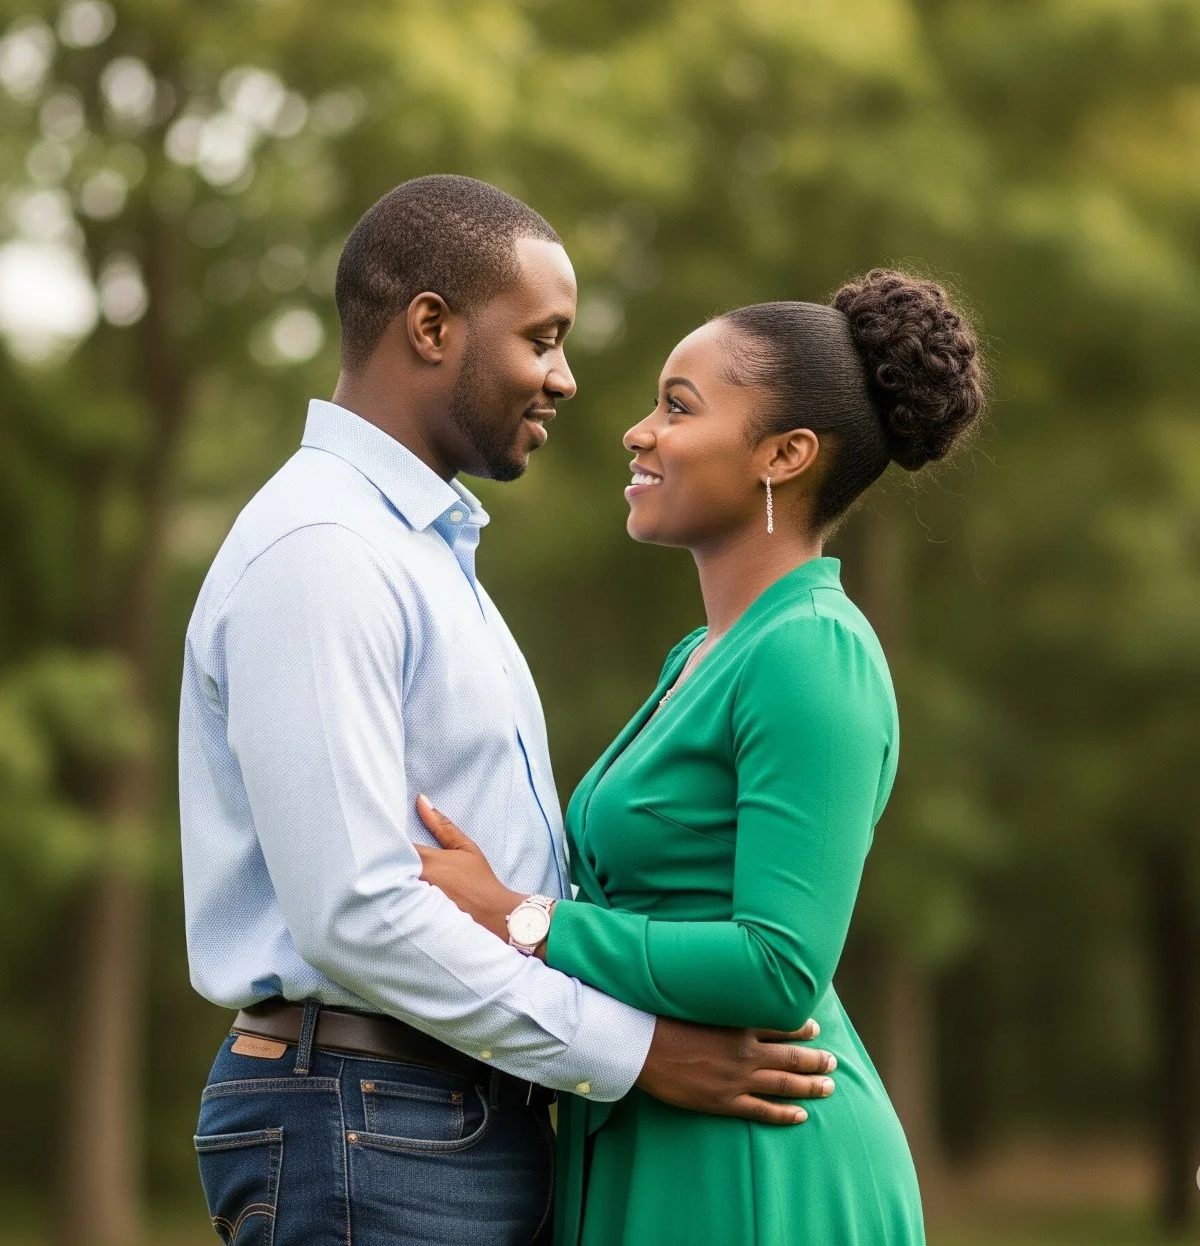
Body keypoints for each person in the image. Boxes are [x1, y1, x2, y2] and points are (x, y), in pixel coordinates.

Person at [178, 175, 838, 1246]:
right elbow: (355, 909)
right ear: (433, 326)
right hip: (370, 1115)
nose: (567, 379)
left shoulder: (420, 553)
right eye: (544, 338)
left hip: (436, 1109)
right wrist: (638, 1049)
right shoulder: (325, 553)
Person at [414, 268, 985, 1245]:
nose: (638, 431)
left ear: (786, 453)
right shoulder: (707, 654)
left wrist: (523, 917)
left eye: (677, 407)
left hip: (758, 1161)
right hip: (656, 1124)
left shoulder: (813, 650)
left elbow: (778, 962)